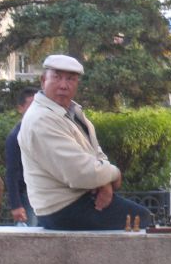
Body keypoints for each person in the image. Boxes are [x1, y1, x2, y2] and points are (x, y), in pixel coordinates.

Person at [18, 54, 150, 230]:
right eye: (57, 77)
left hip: (78, 199)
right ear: (43, 81)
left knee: (139, 218)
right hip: (62, 208)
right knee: (140, 219)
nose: (64, 85)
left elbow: (96, 154)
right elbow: (78, 172)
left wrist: (104, 184)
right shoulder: (41, 119)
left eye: (71, 79)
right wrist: (114, 174)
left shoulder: (71, 111)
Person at [5, 87, 38, 226]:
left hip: (44, 194)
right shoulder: (15, 136)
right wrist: (16, 205)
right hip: (26, 196)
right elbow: (11, 173)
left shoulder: (44, 131)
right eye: (31, 105)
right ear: (21, 108)